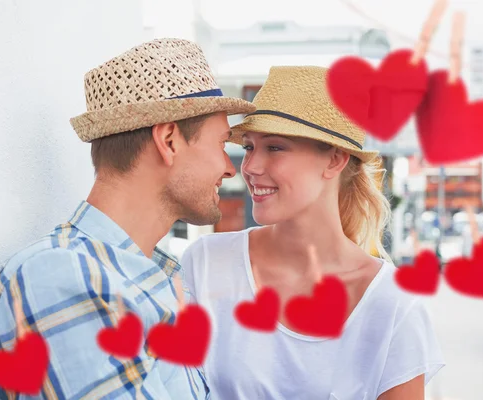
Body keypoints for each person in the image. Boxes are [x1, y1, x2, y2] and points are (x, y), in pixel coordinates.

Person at [0, 38, 255, 399]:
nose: (230, 169)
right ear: (168, 140)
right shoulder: (64, 277)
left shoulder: (148, 276)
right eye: (220, 144)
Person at [181, 66, 445, 400]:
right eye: (249, 147)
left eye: (275, 147)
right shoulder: (206, 263)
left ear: (335, 160)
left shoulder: (392, 304)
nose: (250, 167)